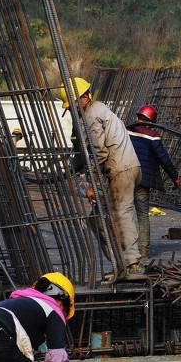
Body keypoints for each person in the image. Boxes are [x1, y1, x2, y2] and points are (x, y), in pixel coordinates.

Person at [59, 77, 142, 275]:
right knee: (99, 217)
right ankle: (122, 262)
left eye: (72, 105)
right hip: (123, 167)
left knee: (121, 214)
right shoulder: (98, 110)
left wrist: (92, 184)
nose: (72, 110)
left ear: (83, 97)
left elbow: (99, 152)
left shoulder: (92, 115)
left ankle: (131, 263)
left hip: (121, 169)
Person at [127, 105, 180, 260]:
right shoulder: (152, 136)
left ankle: (127, 247)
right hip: (143, 180)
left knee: (125, 213)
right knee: (143, 215)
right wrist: (175, 177)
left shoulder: (125, 131)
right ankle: (143, 250)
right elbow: (164, 159)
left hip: (125, 178)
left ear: (137, 117)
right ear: (151, 123)